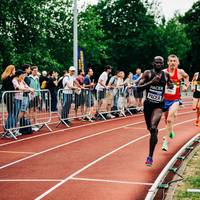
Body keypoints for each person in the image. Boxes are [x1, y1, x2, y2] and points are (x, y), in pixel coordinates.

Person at [135, 56, 173, 166]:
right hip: (148, 105)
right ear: (153, 63)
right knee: (150, 129)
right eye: (157, 62)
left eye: (161, 63)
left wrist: (170, 85)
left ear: (163, 64)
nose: (159, 64)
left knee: (153, 127)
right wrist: (151, 82)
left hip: (159, 106)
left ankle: (150, 157)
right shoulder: (148, 73)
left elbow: (170, 84)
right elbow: (139, 88)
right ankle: (154, 132)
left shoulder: (166, 75)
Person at [162, 54, 190, 151]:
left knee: (169, 119)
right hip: (165, 99)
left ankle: (165, 142)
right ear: (168, 62)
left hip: (175, 100)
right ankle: (171, 130)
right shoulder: (164, 72)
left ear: (177, 63)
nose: (173, 62)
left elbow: (187, 77)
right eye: (171, 61)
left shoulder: (180, 72)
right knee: (166, 120)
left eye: (175, 61)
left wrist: (186, 85)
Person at [1, 65, 16, 137]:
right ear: (11, 70)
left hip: (7, 96)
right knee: (11, 112)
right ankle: (8, 129)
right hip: (8, 96)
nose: (15, 71)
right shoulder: (8, 78)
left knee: (11, 112)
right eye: (14, 70)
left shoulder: (5, 77)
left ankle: (8, 129)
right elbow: (11, 88)